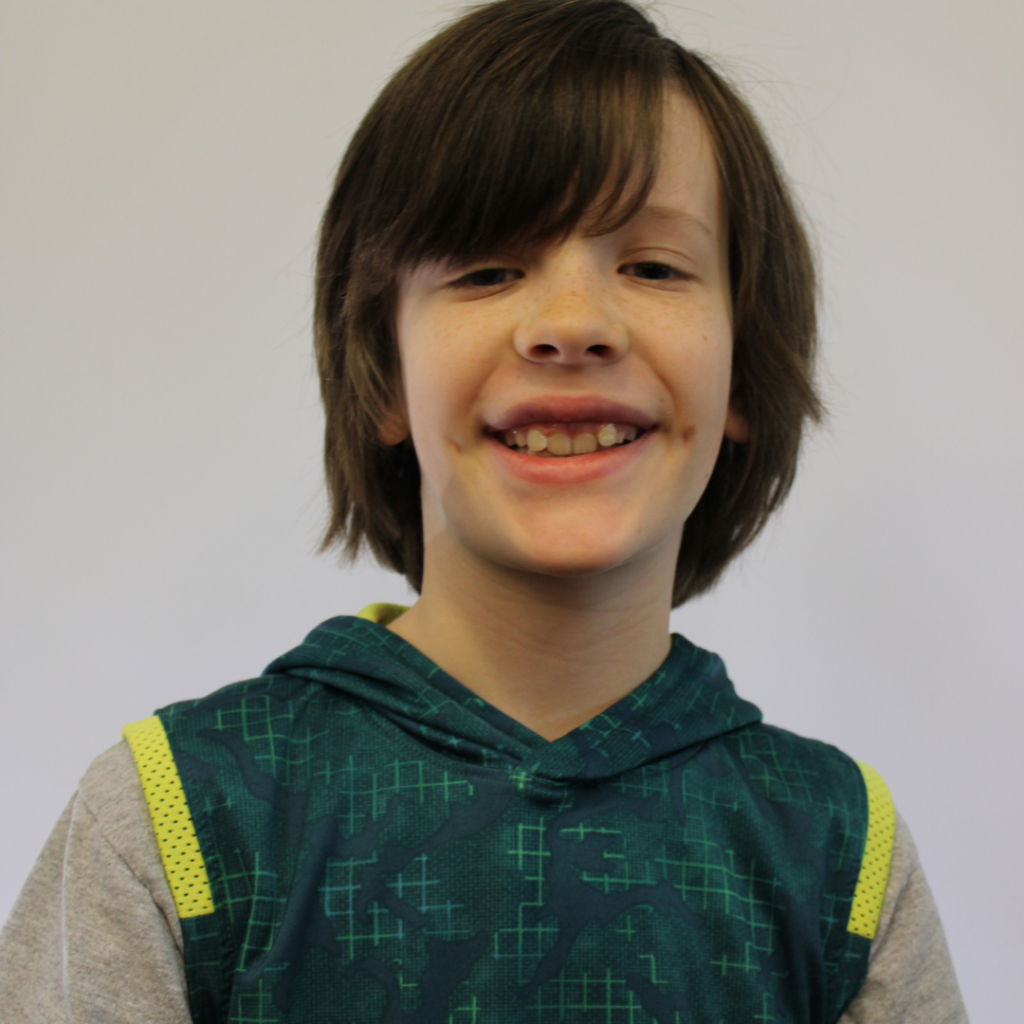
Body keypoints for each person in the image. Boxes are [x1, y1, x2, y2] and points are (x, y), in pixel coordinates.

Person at [0, 1, 967, 1021]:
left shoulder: (842, 852)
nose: (572, 324)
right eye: (487, 268)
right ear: (384, 374)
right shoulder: (177, 817)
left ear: (744, 372)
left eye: (652, 266)